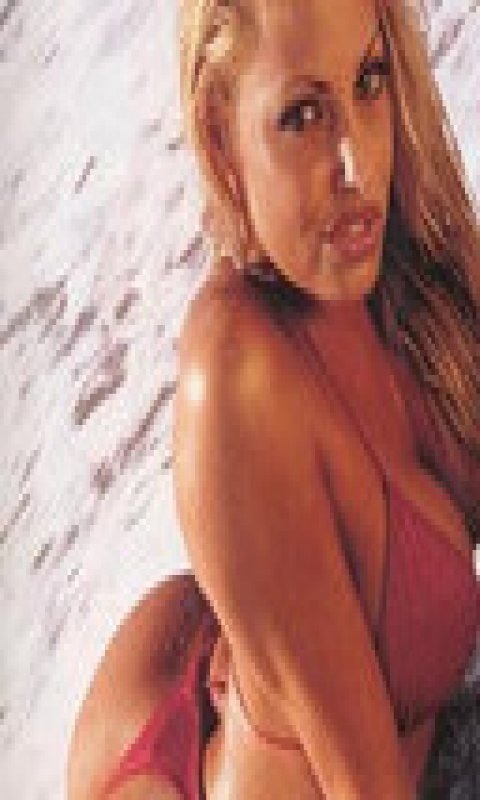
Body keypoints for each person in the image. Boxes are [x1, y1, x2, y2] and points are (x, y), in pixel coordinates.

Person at [68, 0, 480, 797]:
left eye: (368, 80)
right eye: (302, 115)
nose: (357, 163)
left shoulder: (391, 261)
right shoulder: (236, 374)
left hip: (195, 650)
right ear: (221, 139)